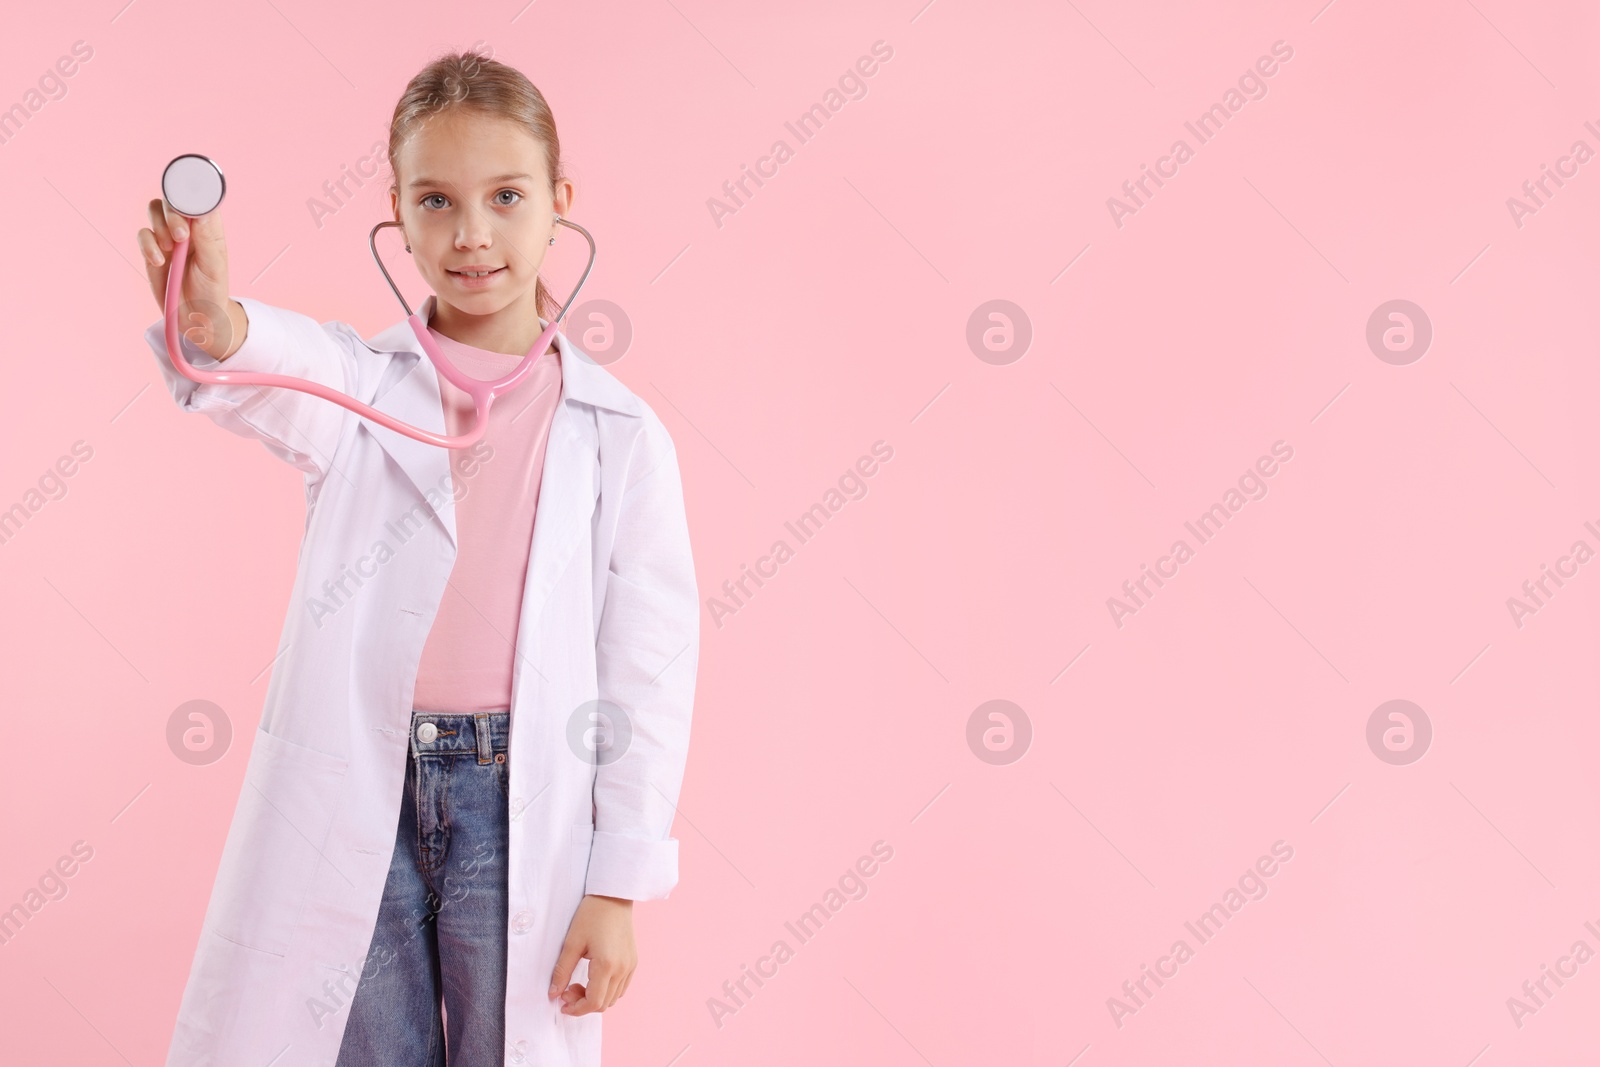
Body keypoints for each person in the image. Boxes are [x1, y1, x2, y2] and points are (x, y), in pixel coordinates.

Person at [136, 49, 698, 1067]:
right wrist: (219, 321)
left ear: (560, 202)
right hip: (366, 781)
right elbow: (279, 361)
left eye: (506, 196)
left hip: (517, 797)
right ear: (394, 217)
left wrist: (617, 885)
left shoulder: (619, 432)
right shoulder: (365, 385)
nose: (471, 234)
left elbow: (648, 676)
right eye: (435, 200)